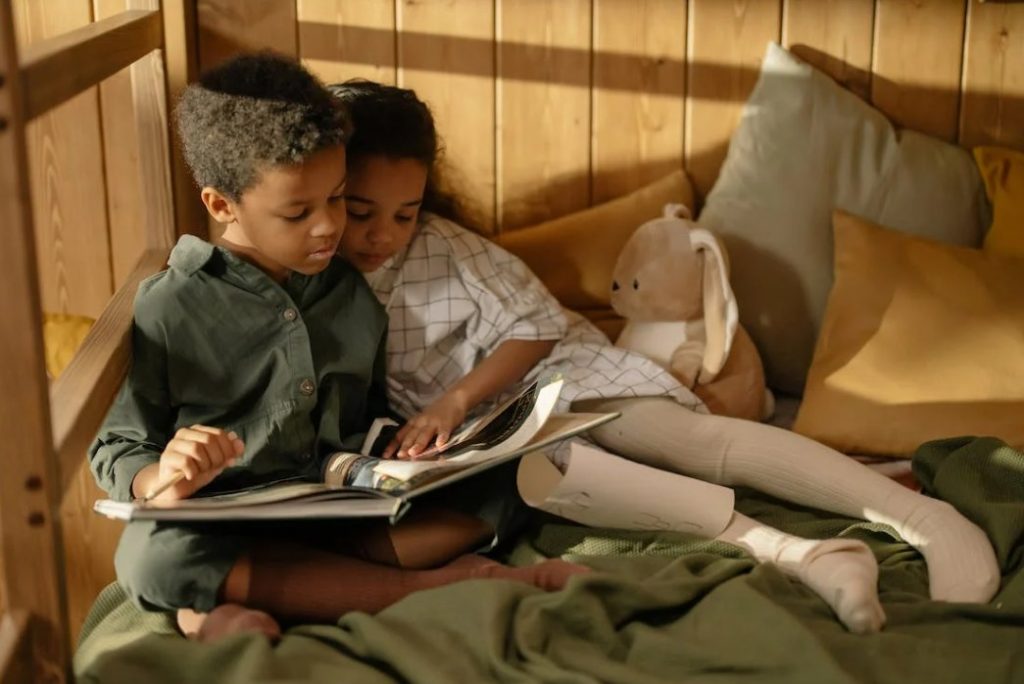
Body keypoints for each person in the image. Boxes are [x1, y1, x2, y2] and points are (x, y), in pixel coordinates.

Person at [328, 79, 1001, 635]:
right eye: (361, 212)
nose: (382, 235)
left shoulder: (447, 248)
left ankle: (924, 518)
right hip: (491, 441)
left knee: (685, 442)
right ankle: (813, 558)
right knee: (596, 486)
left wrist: (456, 399)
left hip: (555, 374)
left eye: (404, 214)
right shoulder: (319, 272)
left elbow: (534, 327)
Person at [89, 53, 587, 644]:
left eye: (337, 199)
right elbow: (118, 446)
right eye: (299, 212)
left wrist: (414, 454)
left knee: (513, 479)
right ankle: (430, 587)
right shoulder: (170, 306)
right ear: (222, 206)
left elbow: (367, 413)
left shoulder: (350, 292)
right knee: (151, 557)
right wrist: (161, 475)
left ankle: (230, 607)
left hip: (339, 512)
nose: (328, 227)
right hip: (225, 519)